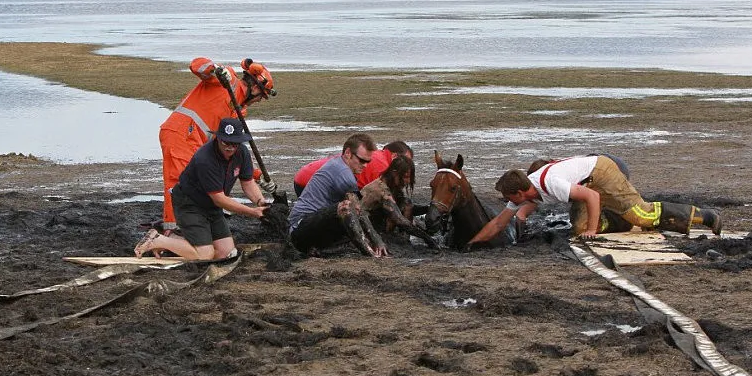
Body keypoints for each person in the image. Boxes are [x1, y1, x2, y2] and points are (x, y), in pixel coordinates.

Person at [466, 154, 722, 248]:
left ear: (520, 193)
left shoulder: (550, 183)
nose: (507, 201)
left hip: (602, 172)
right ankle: (620, 220)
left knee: (641, 215)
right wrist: (472, 242)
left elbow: (592, 195)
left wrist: (592, 230)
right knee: (579, 229)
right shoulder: (525, 191)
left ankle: (704, 215)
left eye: (509, 198)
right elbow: (499, 223)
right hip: (586, 183)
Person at [158, 57, 276, 237]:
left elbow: (231, 152)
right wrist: (215, 70)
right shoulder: (227, 81)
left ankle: (196, 222)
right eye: (262, 96)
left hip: (197, 143)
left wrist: (257, 176)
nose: (259, 101)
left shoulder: (237, 111)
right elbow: (196, 66)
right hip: (181, 134)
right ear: (255, 88)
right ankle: (173, 231)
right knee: (180, 184)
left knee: (206, 179)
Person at [136, 117, 269, 261]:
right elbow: (219, 199)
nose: (229, 147)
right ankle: (157, 240)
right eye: (225, 142)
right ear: (218, 138)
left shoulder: (242, 153)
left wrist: (260, 202)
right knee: (205, 255)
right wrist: (252, 212)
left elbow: (248, 183)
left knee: (225, 253)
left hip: (211, 206)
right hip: (190, 204)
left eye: (234, 143)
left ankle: (170, 238)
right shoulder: (205, 159)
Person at [288, 133, 389, 258]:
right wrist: (377, 240)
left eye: (368, 162)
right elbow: (357, 211)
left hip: (309, 226)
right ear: (348, 153)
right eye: (362, 160)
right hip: (299, 229)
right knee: (346, 207)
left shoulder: (338, 164)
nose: (365, 165)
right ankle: (370, 253)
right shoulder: (344, 174)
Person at [359, 155, 438, 248]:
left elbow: (408, 208)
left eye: (410, 177)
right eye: (405, 177)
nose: (408, 181)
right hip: (366, 229)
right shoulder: (381, 191)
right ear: (394, 173)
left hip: (377, 224)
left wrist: (429, 208)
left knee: (406, 203)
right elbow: (399, 220)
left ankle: (402, 238)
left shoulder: (391, 186)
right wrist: (428, 239)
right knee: (405, 205)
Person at [293, 140, 414, 197]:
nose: (407, 166)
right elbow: (378, 196)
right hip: (310, 182)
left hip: (304, 175)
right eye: (406, 161)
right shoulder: (382, 165)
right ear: (394, 156)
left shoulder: (374, 155)